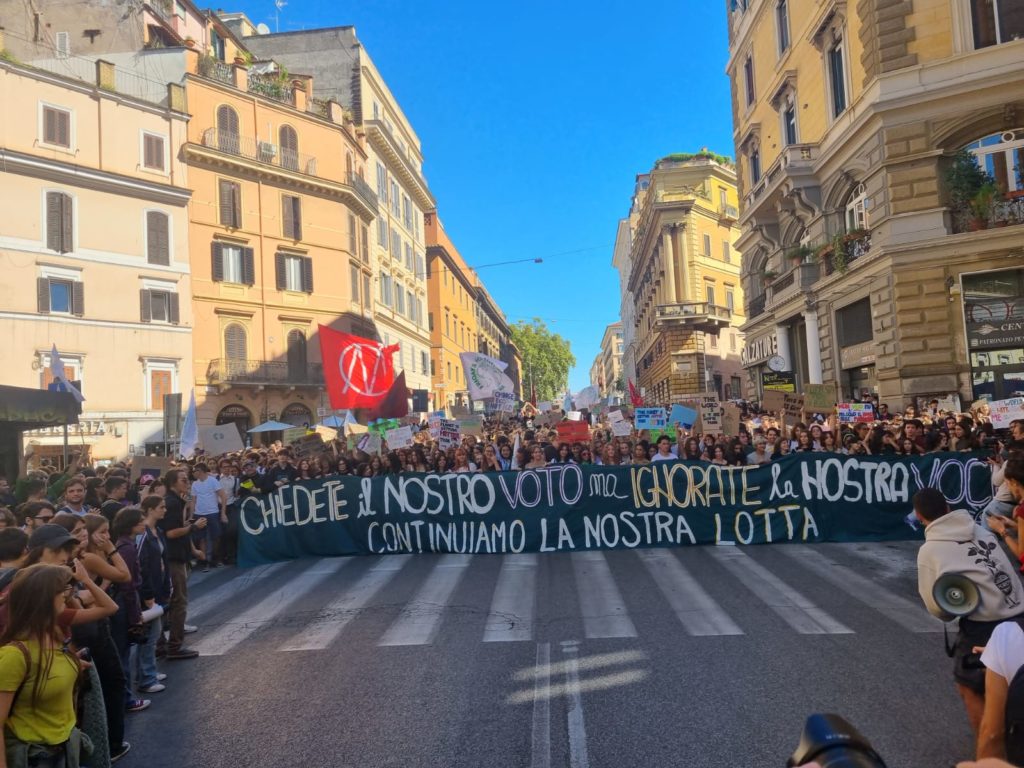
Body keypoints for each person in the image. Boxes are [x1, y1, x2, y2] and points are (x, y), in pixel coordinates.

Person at [914, 488, 1024, 736]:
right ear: (948, 508)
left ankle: (990, 750)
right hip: (1020, 616)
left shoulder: (930, 550)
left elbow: (940, 610)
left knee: (969, 685)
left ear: (920, 516)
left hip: (984, 626)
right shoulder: (983, 531)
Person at [0, 563, 111, 768]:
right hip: (36, 757)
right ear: (41, 599)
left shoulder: (55, 638)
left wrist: (72, 664)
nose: (66, 594)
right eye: (61, 590)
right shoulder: (14, 656)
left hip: (65, 749)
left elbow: (109, 608)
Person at [157, 470, 204, 660]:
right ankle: (175, 646)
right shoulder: (172, 502)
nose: (188, 483)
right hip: (173, 558)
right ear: (172, 483)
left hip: (175, 556)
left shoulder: (176, 501)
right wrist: (193, 527)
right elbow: (171, 532)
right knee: (179, 602)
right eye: (183, 480)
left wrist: (192, 550)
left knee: (168, 603)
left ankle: (160, 645)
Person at [190, 464, 226, 572]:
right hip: (199, 513)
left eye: (194, 471)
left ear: (200, 471)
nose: (193, 473)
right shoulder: (195, 484)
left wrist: (223, 513)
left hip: (212, 513)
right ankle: (205, 561)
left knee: (216, 537)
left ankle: (215, 558)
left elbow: (223, 496)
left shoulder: (213, 481)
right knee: (201, 538)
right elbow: (193, 501)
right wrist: (191, 516)